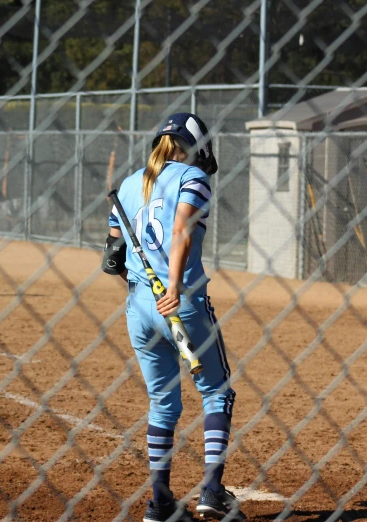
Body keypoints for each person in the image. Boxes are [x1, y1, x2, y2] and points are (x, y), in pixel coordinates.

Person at [102, 113, 244, 522]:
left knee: (163, 402)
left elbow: (112, 258)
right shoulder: (192, 177)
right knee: (218, 392)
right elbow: (181, 228)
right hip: (180, 303)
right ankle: (212, 492)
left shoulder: (130, 185)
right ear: (195, 147)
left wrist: (143, 286)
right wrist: (175, 285)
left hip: (140, 309)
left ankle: (161, 503)